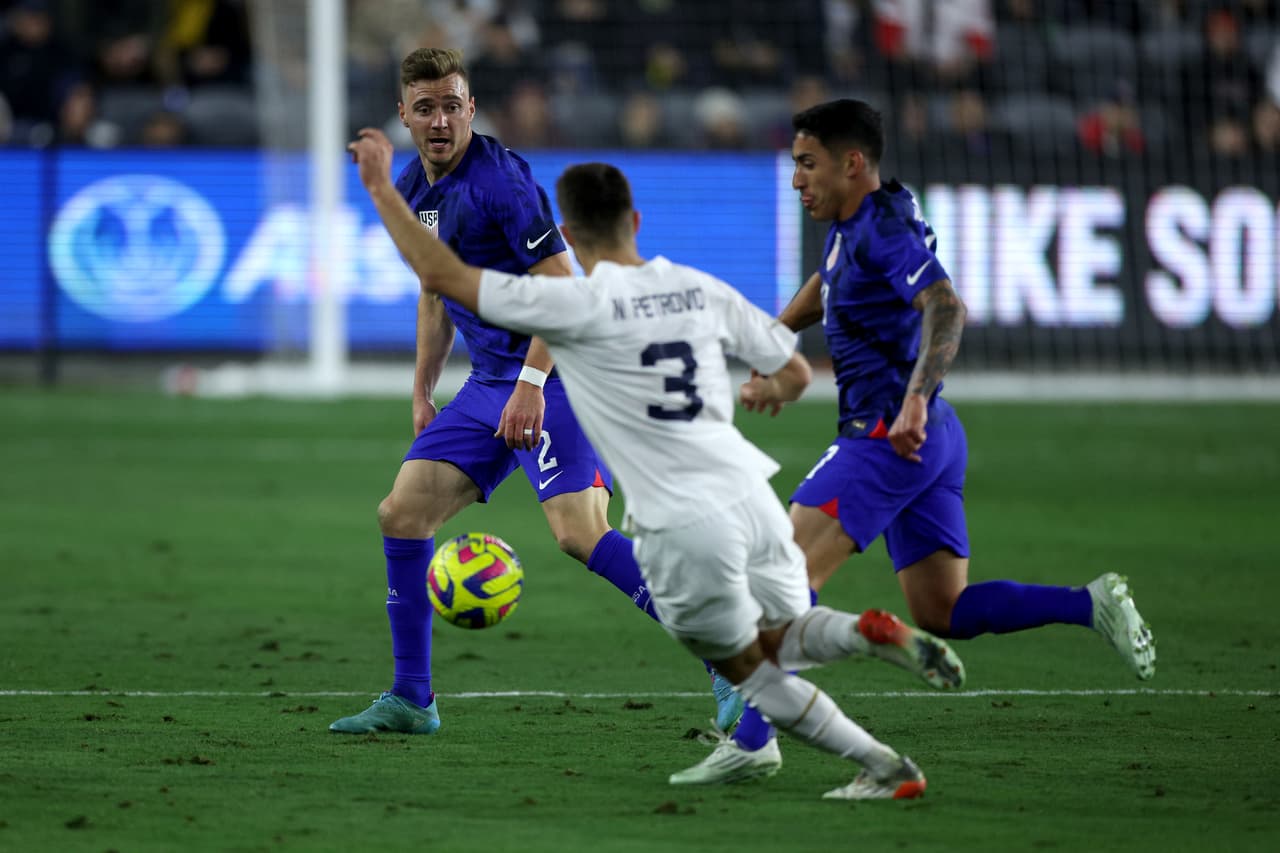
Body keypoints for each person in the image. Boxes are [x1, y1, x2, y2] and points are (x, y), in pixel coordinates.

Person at [348, 130, 968, 799]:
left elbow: (440, 276)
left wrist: (380, 188)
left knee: (752, 666)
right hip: (750, 493)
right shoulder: (696, 285)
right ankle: (867, 657)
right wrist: (767, 388)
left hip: (678, 519)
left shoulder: (572, 304)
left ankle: (871, 727)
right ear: (636, 221)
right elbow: (790, 367)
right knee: (781, 634)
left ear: (568, 238)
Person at [715, 98, 1157, 780]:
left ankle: (750, 739)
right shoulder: (855, 220)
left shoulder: (883, 230)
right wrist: (774, 339)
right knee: (943, 608)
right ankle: (1089, 602)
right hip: (933, 441)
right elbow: (829, 284)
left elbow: (947, 305)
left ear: (852, 163)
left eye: (807, 165)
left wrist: (913, 401)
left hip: (886, 440)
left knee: (783, 580)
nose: (797, 180)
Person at [329, 47, 738, 736]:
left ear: (471, 109)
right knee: (401, 513)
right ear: (403, 114)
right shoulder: (416, 191)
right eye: (424, 108)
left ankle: (731, 656)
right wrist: (424, 387)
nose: (439, 121)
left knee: (581, 535)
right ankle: (411, 698)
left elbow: (564, 288)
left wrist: (531, 384)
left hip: (561, 374)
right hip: (489, 383)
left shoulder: (501, 184)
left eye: (451, 106)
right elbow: (436, 292)